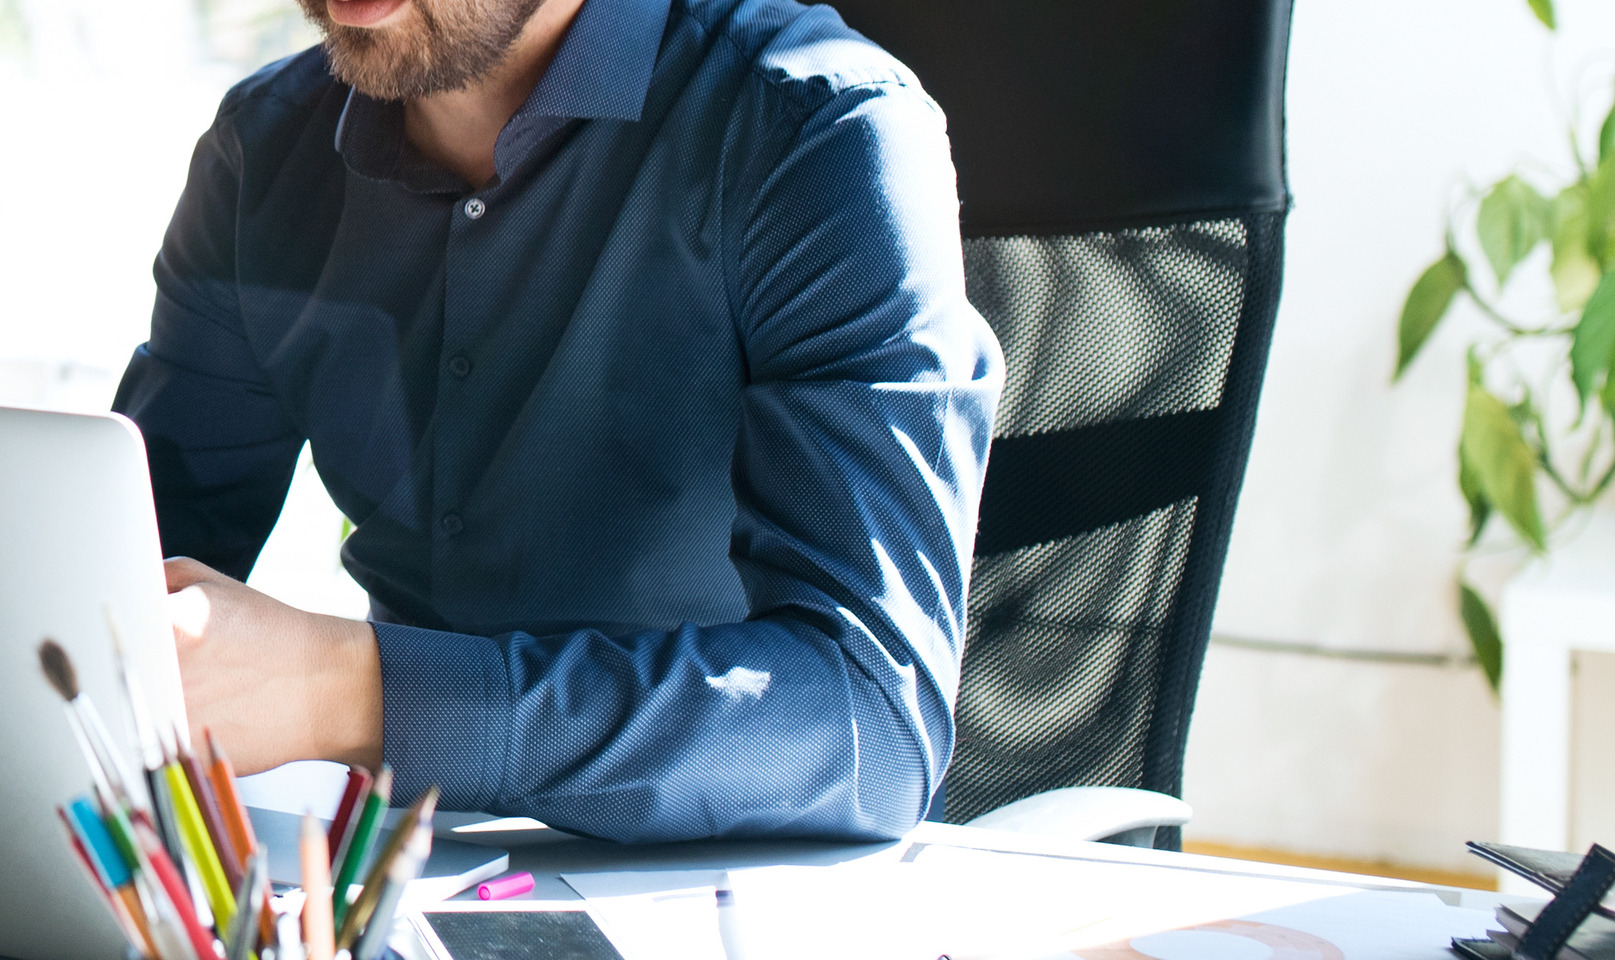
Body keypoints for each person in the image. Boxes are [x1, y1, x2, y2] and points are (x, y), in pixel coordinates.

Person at [123, 0, 998, 844]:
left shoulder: (817, 125)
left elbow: (871, 725)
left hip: (724, 885)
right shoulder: (263, 149)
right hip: (395, 864)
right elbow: (119, 574)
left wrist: (353, 694)